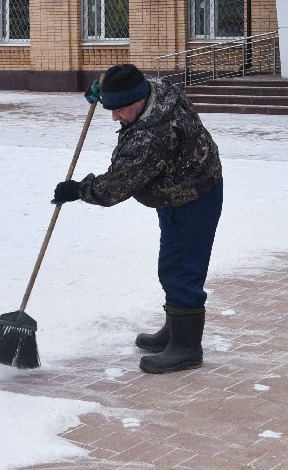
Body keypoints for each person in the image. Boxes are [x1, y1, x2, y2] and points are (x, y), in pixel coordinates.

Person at [52, 63, 224, 374]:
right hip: (180, 186)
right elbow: (125, 77)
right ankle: (175, 331)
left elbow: (116, 187)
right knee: (174, 263)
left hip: (192, 197)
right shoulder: (155, 90)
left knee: (180, 269)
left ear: (138, 102)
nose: (115, 117)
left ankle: (186, 347)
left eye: (120, 110)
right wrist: (102, 86)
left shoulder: (153, 135)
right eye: (110, 108)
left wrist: (78, 190)